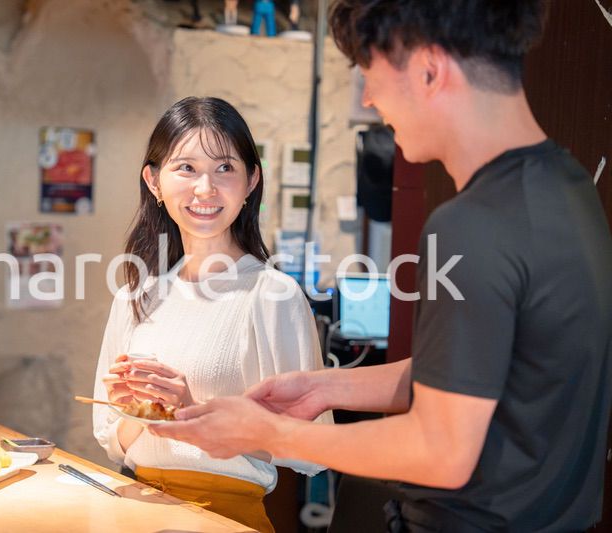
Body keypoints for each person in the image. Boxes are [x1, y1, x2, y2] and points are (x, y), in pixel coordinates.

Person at [152, 1, 612, 531]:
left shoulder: (474, 223)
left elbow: (441, 449)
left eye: (370, 74)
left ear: (429, 70)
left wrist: (268, 433)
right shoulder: (568, 186)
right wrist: (327, 387)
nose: (369, 100)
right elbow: (482, 373)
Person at [92, 96, 331, 533]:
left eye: (224, 168)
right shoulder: (135, 297)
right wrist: (136, 411)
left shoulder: (273, 295)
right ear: (154, 181)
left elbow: (312, 449)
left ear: (251, 180)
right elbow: (115, 443)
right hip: (134, 510)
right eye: (186, 167)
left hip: (226, 518)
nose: (205, 188)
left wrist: (192, 413)